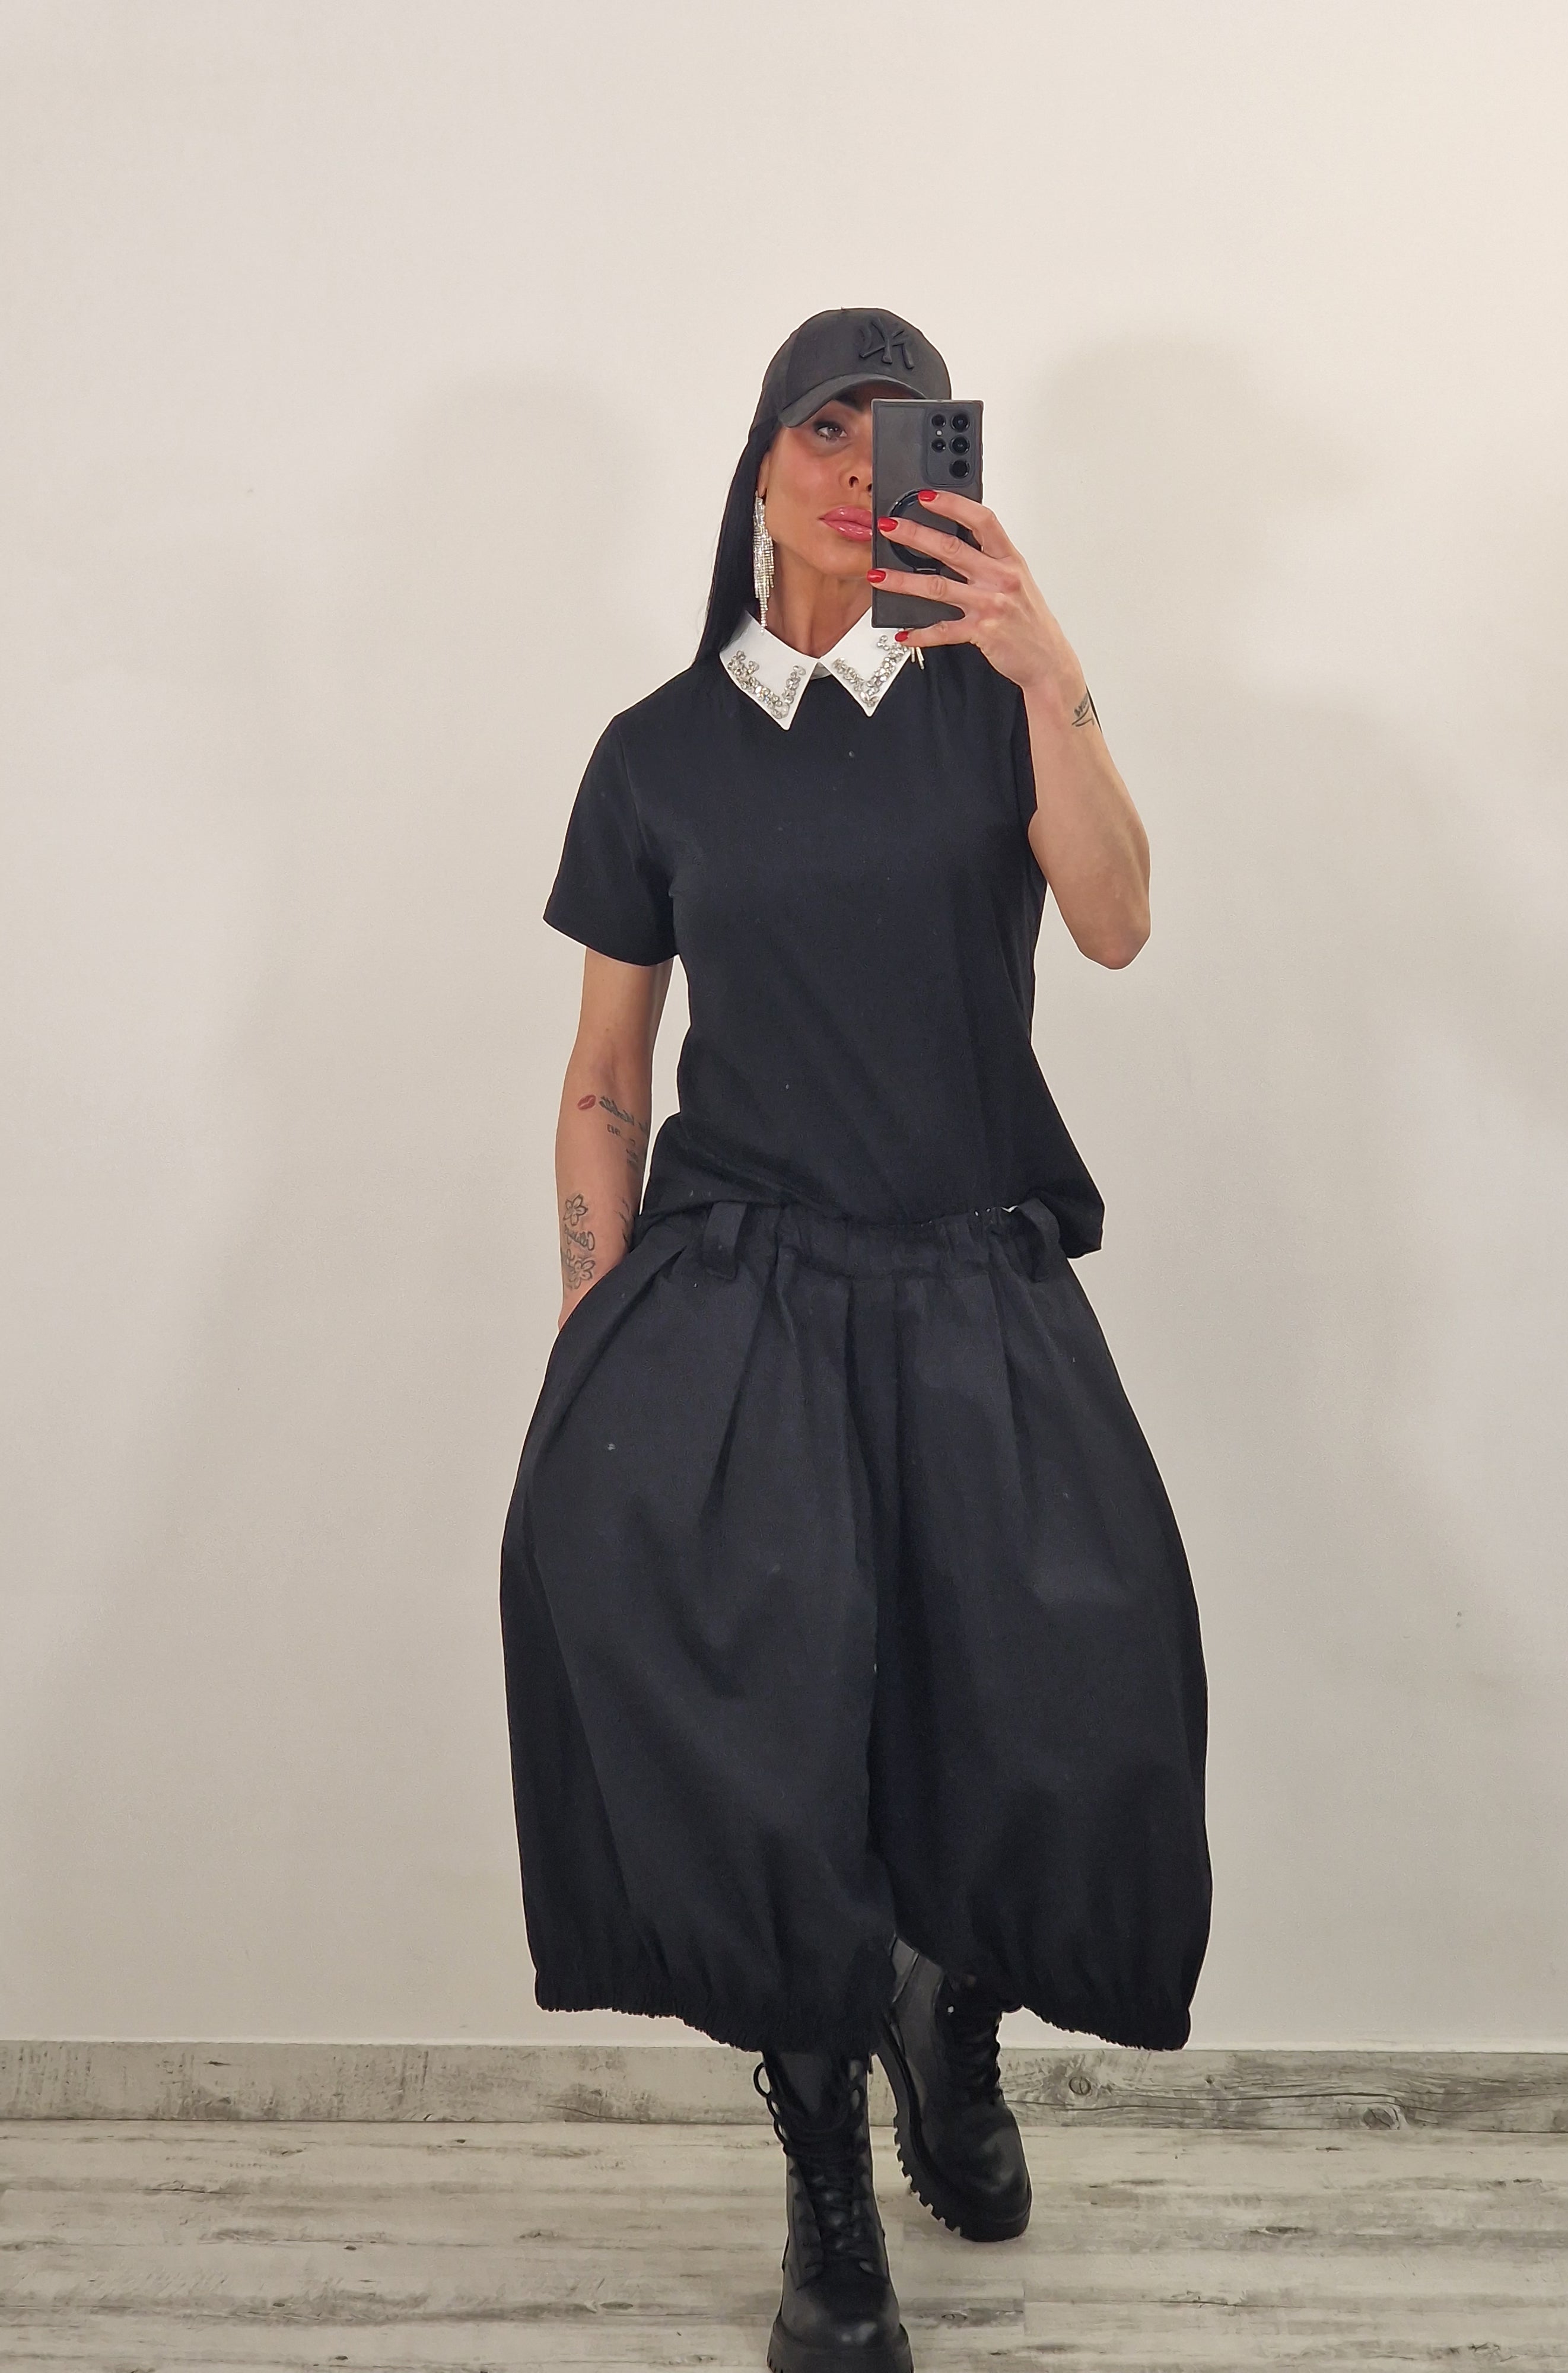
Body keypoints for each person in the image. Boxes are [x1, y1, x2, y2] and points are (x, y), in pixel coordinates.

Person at [500, 308, 1211, 2373]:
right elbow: (604, 1076)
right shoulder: (658, 752)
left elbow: (1118, 919)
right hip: (743, 1297)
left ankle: (943, 2010)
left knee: (1060, 1698)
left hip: (973, 1274)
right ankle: (824, 2165)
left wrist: (1050, 663)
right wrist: (593, 1334)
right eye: (820, 428)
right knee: (770, 1741)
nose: (850, 466)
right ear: (759, 464)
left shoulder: (994, 707)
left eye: (894, 434)